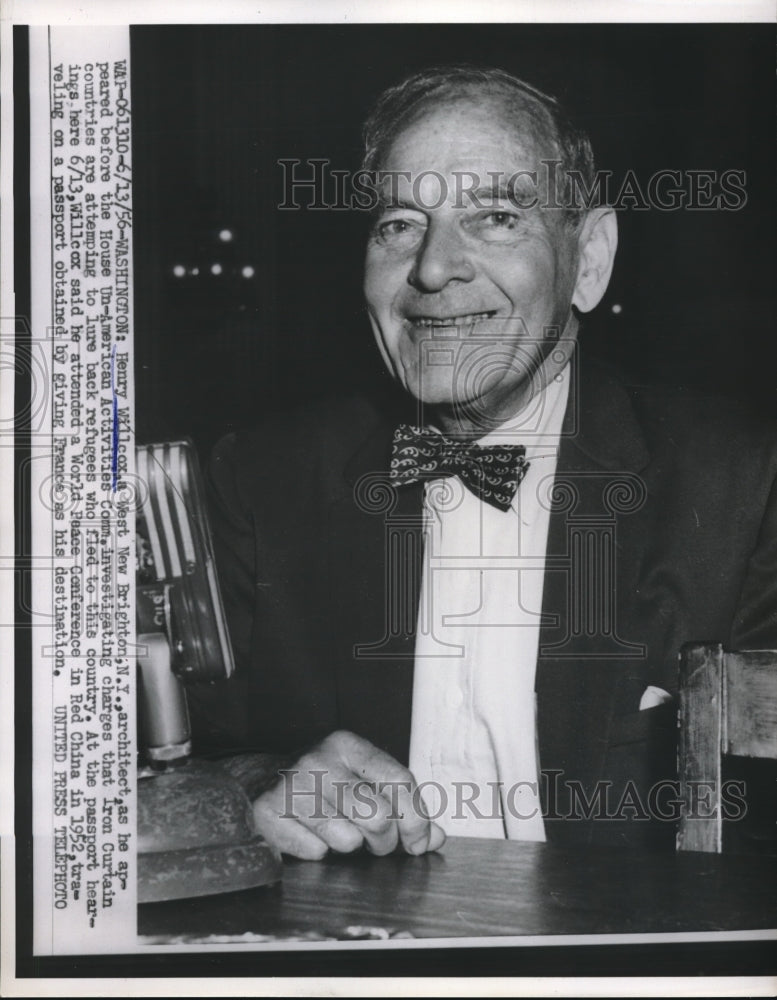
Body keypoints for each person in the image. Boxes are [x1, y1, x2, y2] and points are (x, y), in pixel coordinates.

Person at [188, 65, 777, 860]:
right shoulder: (257, 478)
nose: (433, 269)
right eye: (399, 223)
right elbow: (173, 753)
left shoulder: (742, 482)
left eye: (496, 216)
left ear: (589, 259)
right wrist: (263, 783)